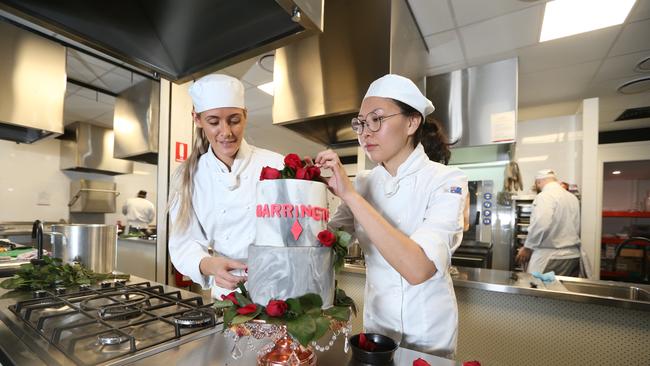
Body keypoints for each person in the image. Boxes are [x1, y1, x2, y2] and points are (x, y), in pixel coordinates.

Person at [315, 74, 467, 358]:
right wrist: (307, 193)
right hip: (378, 327)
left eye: (377, 119)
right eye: (361, 123)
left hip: (427, 331)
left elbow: (418, 268)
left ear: (411, 122)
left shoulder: (447, 180)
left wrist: (349, 195)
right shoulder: (363, 182)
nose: (365, 132)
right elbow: (326, 243)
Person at [167, 74, 283, 299]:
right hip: (226, 294)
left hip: (280, 288)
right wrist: (211, 265)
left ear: (245, 116)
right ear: (197, 119)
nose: (226, 132)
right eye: (213, 122)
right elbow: (183, 245)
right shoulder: (186, 176)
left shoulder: (277, 164)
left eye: (234, 120)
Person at [515, 169, 582, 276]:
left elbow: (541, 224)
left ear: (538, 182)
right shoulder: (572, 197)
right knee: (560, 291)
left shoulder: (545, 196)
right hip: (572, 256)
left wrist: (528, 247)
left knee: (538, 290)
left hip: (550, 257)